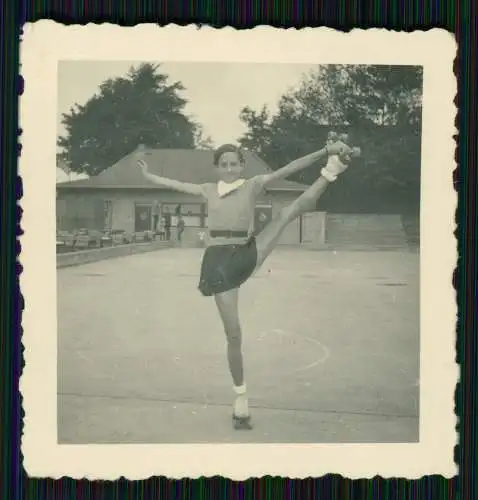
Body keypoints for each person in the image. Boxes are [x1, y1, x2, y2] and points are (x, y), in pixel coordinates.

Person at [135, 135, 360, 430]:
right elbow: (172, 185)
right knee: (234, 335)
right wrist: (147, 175)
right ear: (217, 168)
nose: (229, 169)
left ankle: (331, 170)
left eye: (234, 164)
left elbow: (289, 169)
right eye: (224, 164)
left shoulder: (252, 185)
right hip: (219, 265)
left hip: (246, 252)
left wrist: (324, 151)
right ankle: (240, 399)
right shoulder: (207, 189)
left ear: (242, 166)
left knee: (288, 212)